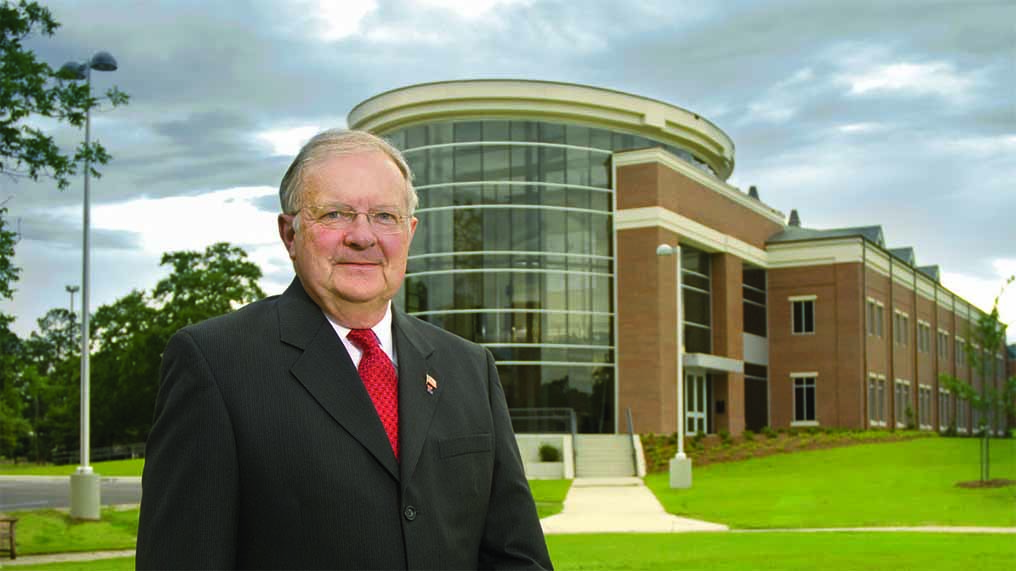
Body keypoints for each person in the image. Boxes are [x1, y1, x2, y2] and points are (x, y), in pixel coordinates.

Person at [136, 129, 552, 570]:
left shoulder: (470, 368)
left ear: (409, 233)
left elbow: (516, 557)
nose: (362, 236)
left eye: (385, 216)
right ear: (289, 233)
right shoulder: (215, 364)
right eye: (335, 214)